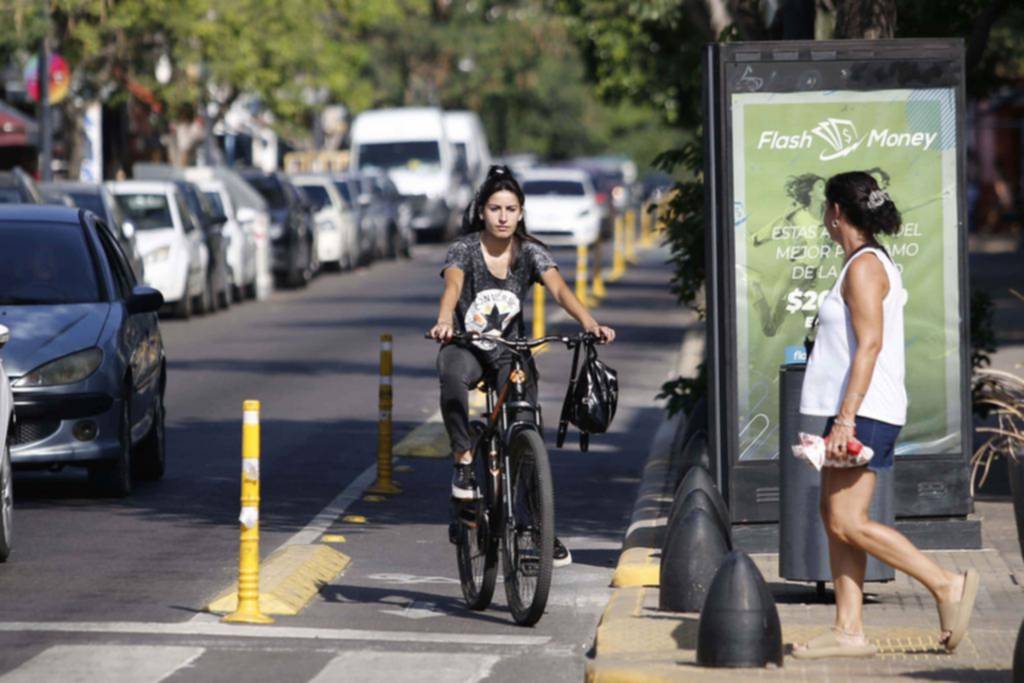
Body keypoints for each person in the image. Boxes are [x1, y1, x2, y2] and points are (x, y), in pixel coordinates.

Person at [792, 171, 979, 659]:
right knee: (834, 518)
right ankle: (848, 630)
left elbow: (870, 345)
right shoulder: (860, 261)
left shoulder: (864, 267)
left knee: (848, 520)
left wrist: (847, 419)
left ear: (836, 211)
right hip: (853, 408)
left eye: (824, 209)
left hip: (864, 410)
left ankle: (946, 585)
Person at [428, 165, 616, 568]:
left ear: (520, 212)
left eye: (510, 209)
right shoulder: (464, 249)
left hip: (511, 353)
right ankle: (463, 461)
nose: (502, 216)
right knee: (450, 375)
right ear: (482, 211)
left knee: (526, 433)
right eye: (494, 208)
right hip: (468, 347)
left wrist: (590, 324)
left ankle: (534, 526)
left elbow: (560, 288)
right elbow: (453, 287)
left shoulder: (531, 251)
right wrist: (445, 321)